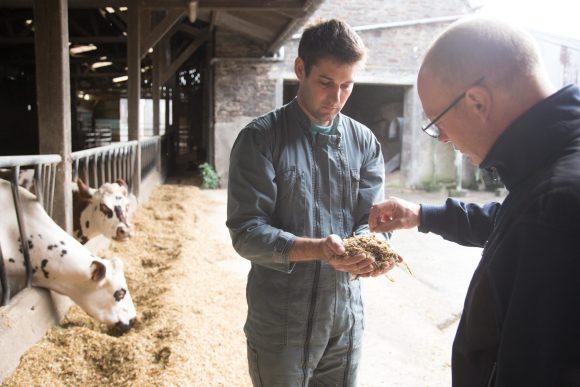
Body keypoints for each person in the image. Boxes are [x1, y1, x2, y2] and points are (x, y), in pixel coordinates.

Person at [368, 16, 580, 386]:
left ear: (477, 102)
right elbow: (513, 222)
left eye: (438, 123)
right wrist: (421, 215)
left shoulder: (554, 211)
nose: (444, 138)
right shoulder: (550, 177)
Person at [226, 18, 391, 386]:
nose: (336, 98)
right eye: (326, 83)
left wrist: (376, 250)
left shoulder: (364, 143)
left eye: (347, 86)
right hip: (282, 323)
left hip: (343, 320)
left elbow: (371, 221)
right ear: (301, 69)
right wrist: (319, 249)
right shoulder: (260, 140)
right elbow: (247, 233)